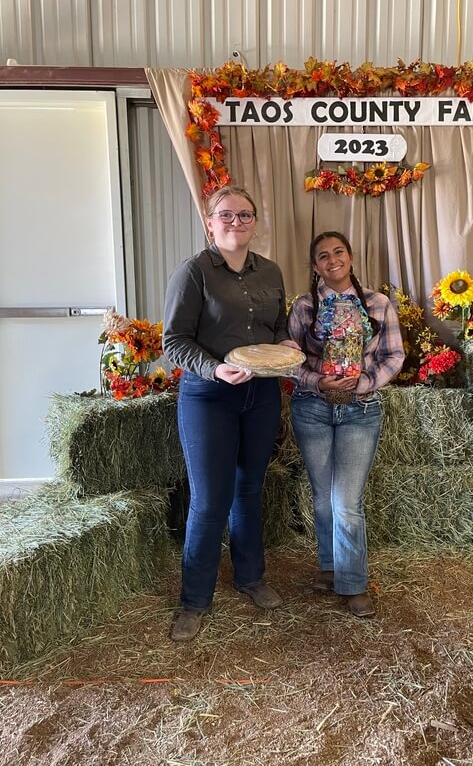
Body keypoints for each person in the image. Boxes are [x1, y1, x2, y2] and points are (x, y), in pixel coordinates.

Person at [163, 185, 299, 642]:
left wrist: (284, 343)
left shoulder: (271, 271)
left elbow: (277, 325)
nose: (236, 222)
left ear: (255, 222)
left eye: (245, 215)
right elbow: (175, 342)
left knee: (250, 489)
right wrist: (216, 369)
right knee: (209, 499)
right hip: (208, 397)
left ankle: (250, 578)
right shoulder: (194, 273)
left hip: (259, 395)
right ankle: (194, 600)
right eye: (226, 215)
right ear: (210, 222)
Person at [287, 232, 404, 617]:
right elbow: (291, 360)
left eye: (338, 252)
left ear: (351, 257)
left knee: (346, 501)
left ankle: (353, 584)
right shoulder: (305, 306)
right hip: (312, 408)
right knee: (323, 498)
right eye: (323, 256)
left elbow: (393, 355)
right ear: (316, 266)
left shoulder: (377, 303)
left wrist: (365, 384)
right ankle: (329, 566)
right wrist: (317, 380)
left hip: (361, 409)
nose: (332, 260)